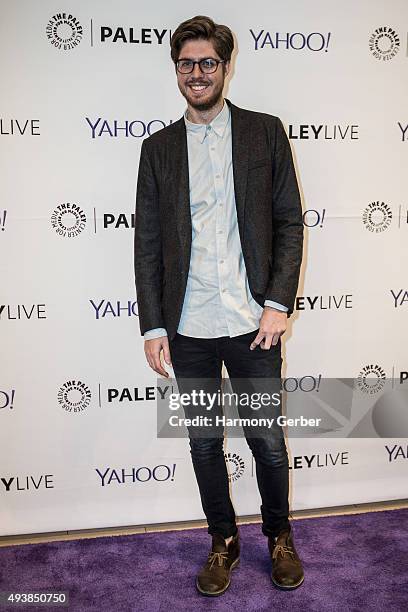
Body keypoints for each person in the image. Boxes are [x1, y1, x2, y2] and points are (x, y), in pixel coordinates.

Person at [134, 15, 304, 596]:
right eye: (187, 64)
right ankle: (222, 542)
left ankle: (279, 536)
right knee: (205, 442)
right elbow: (149, 242)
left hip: (254, 322)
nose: (198, 73)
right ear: (176, 72)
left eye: (208, 62)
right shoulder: (156, 150)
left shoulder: (263, 132)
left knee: (267, 441)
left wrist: (278, 302)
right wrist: (153, 324)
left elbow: (288, 220)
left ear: (225, 68)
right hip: (187, 328)